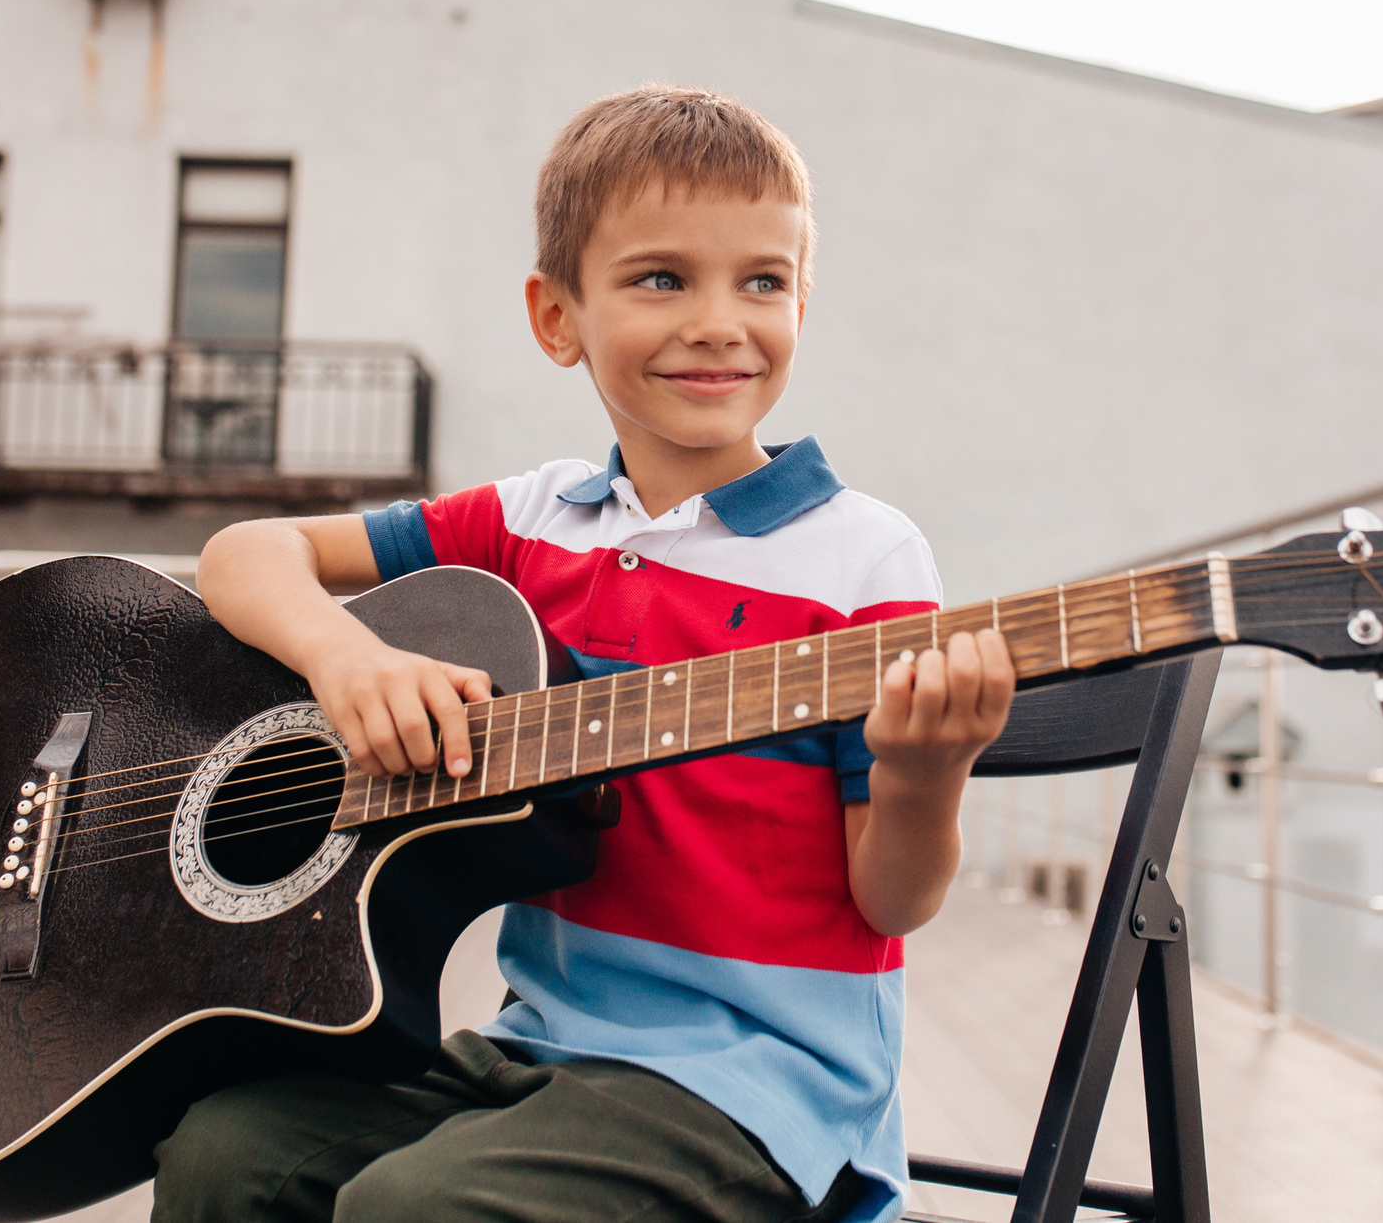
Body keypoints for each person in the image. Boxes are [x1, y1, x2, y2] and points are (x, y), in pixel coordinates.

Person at [159, 83, 1015, 1223]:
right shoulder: (533, 520)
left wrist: (923, 772)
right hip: (543, 1045)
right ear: (557, 317)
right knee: (223, 1153)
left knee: (417, 1208)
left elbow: (894, 901)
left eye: (762, 282)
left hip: (760, 1085)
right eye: (662, 278)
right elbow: (244, 554)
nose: (719, 320)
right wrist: (346, 658)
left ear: (802, 307)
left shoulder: (866, 558)